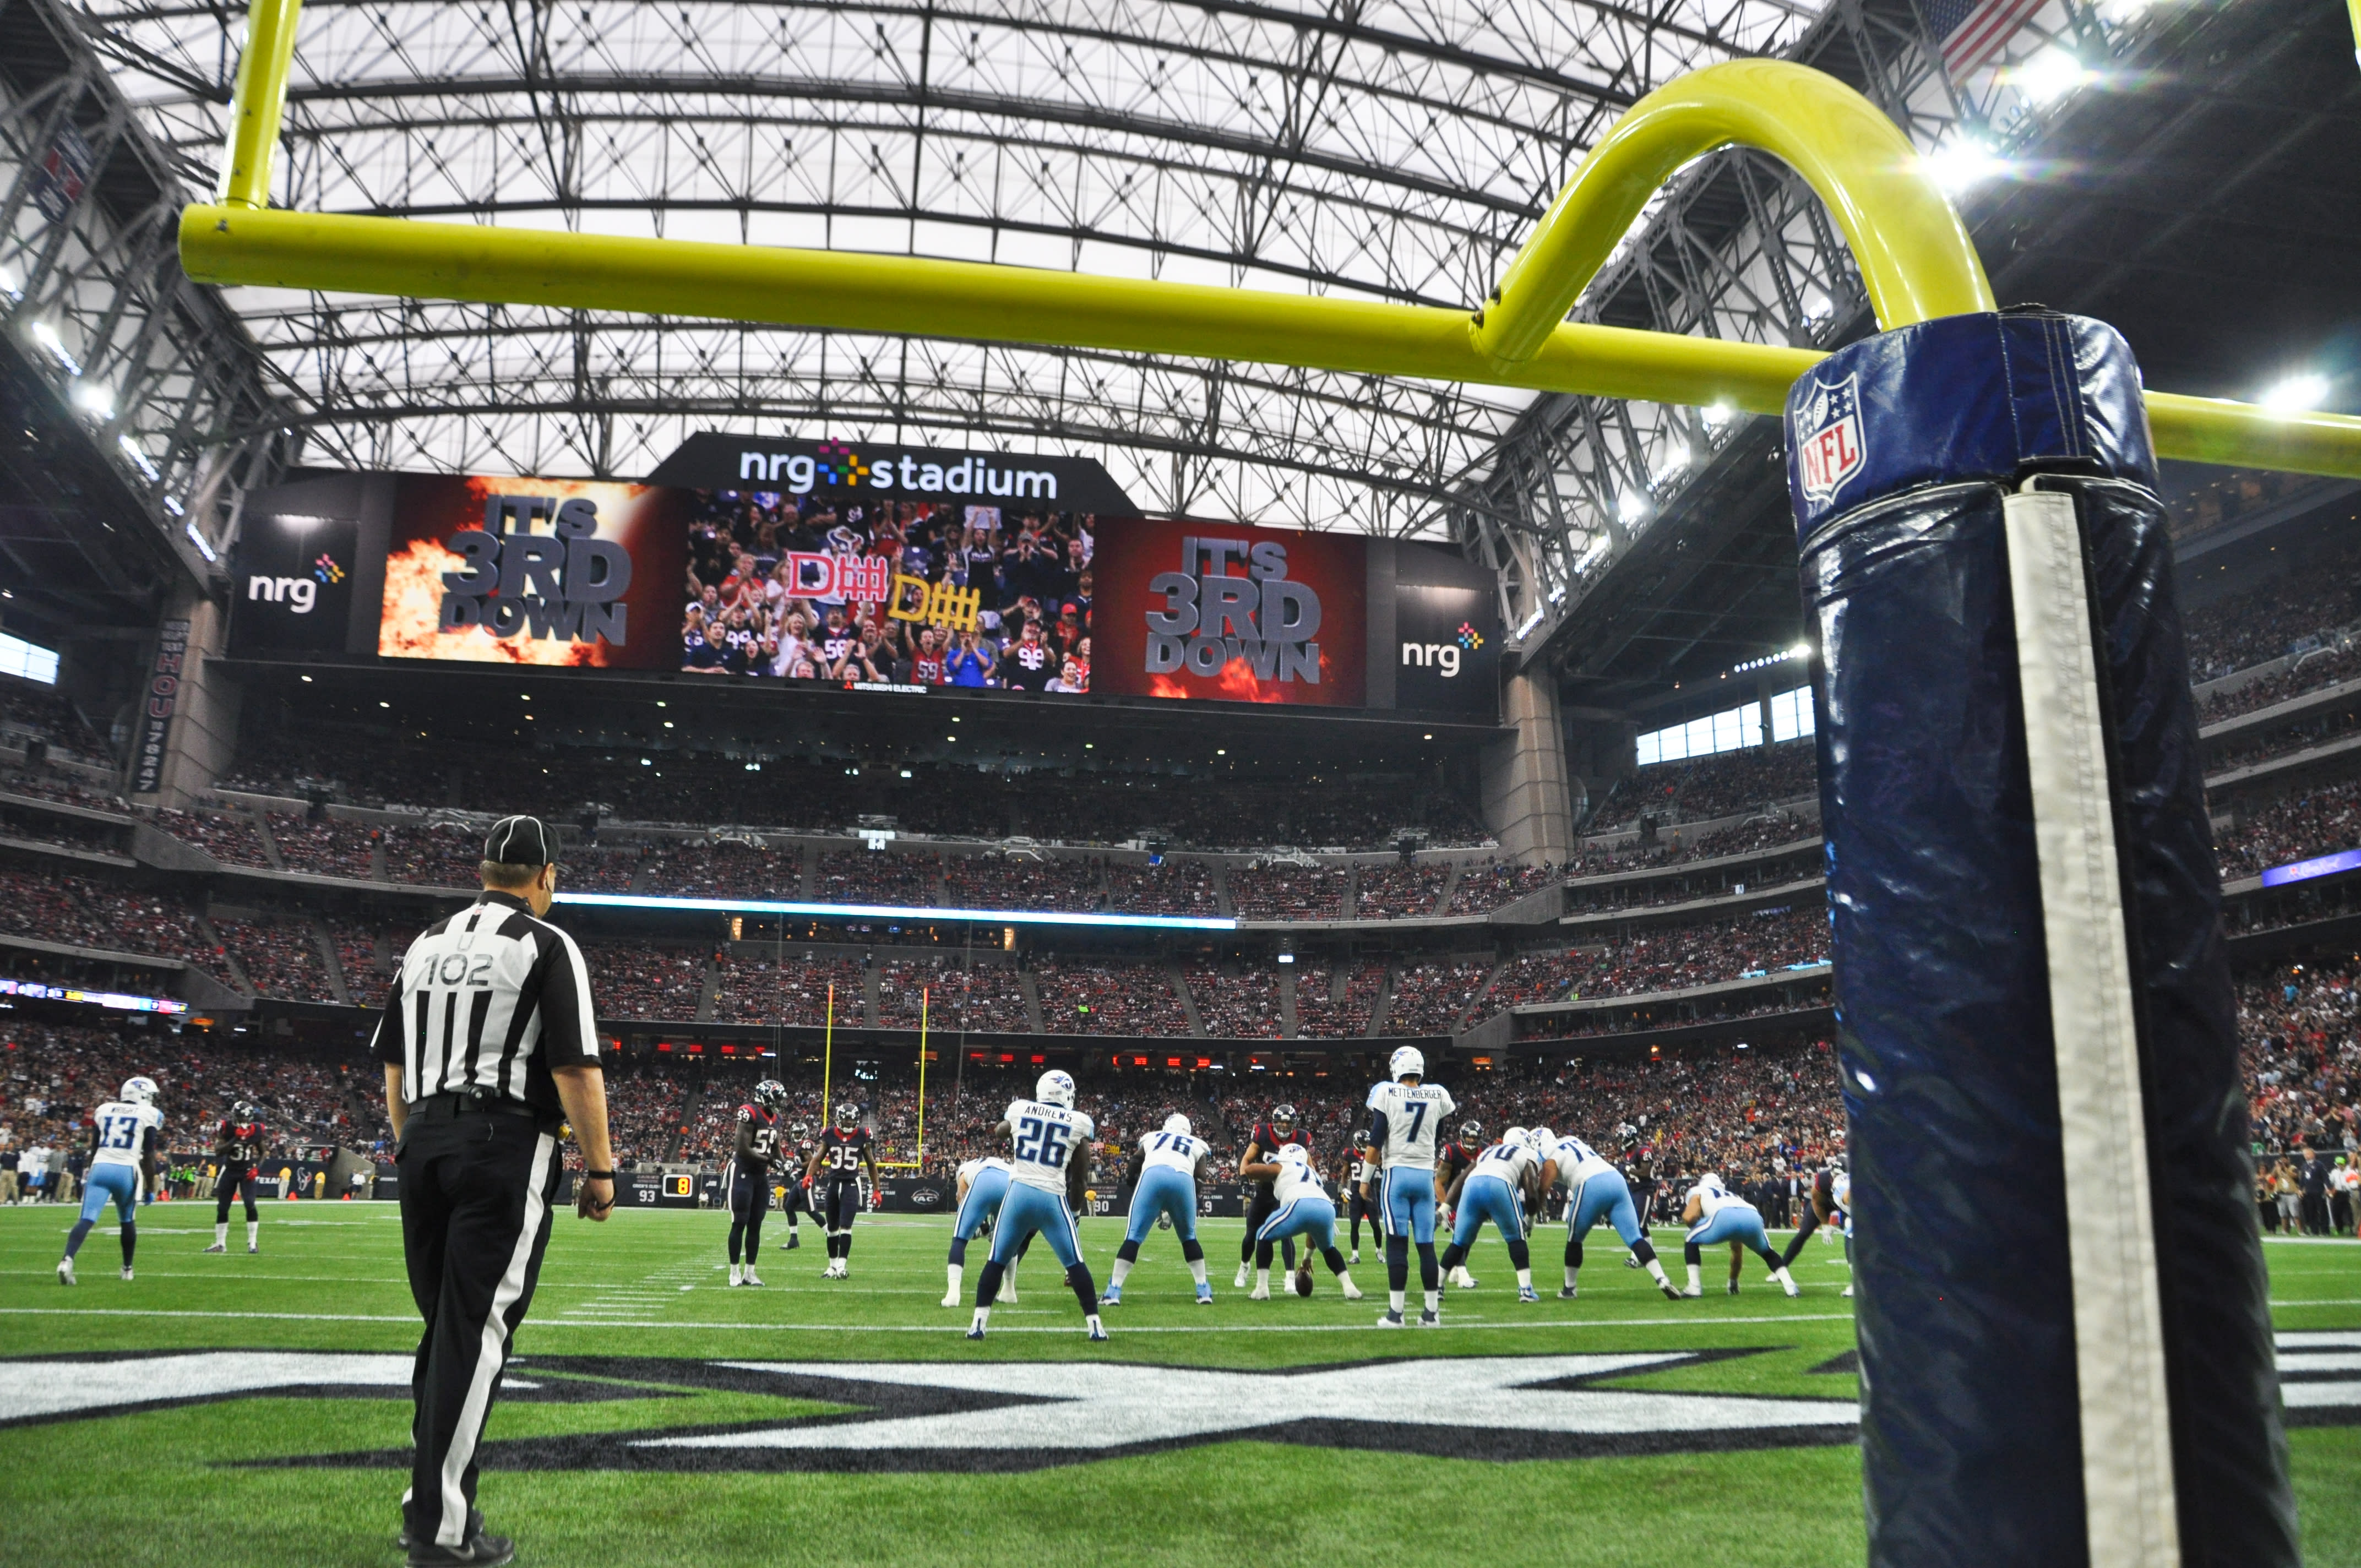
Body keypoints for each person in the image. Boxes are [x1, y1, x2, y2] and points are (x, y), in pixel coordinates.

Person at [375, 813, 617, 1568]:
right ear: (546, 876)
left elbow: (393, 1069)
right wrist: (601, 1168)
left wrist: (413, 1141)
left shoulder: (422, 945)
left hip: (424, 1143)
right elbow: (575, 1067)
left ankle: (430, 1504)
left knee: (445, 1330)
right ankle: (443, 1530)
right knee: (472, 1338)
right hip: (501, 1144)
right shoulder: (549, 945)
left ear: (482, 869)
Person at [966, 1069, 1107, 1342]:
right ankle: (1095, 1326)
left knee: (996, 1260)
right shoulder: (1078, 1121)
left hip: (1018, 1194)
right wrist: (1075, 1213)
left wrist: (1018, 1124)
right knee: (1075, 1263)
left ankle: (978, 1324)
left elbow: (1000, 1132)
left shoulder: (1020, 1109)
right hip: (1051, 1196)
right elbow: (1079, 1176)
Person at [1367, 1046, 1455, 1328]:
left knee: (1396, 1244)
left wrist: (1364, 1180)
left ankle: (1396, 1314)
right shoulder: (1438, 1094)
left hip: (1398, 1175)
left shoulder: (1387, 1093)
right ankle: (1431, 1314)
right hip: (1424, 1177)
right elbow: (1438, 1133)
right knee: (1426, 1246)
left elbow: (1375, 1140)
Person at [1540, 1128, 1679, 1299]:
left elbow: (1544, 1177)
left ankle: (1569, 1289)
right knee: (1636, 1238)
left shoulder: (1548, 1153)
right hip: (1616, 1180)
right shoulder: (1572, 1140)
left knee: (1574, 1239)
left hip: (1590, 1183)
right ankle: (1662, 1278)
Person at [58, 1076, 161, 1286]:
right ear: (143, 1094)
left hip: (100, 1167)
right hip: (126, 1170)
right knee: (127, 1221)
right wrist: (150, 1187)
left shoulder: (104, 1109)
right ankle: (127, 1269)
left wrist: (90, 1170)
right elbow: (149, 1155)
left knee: (86, 1219)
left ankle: (66, 1260)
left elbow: (94, 1147)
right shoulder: (149, 1114)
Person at [1106, 1113, 1215, 1306]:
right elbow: (1200, 1177)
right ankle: (1203, 1289)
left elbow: (1135, 1162)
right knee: (1189, 1237)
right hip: (1184, 1179)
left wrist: (1132, 1182)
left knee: (1133, 1237)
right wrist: (1177, 1207)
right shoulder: (1198, 1144)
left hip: (1153, 1176)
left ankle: (1113, 1291)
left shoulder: (1153, 1136)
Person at [1241, 1141, 1363, 1302]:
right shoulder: (1313, 1174)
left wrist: (1268, 1166)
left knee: (1263, 1235)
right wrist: (1307, 1258)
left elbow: (1251, 1170)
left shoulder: (1282, 1164)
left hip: (1299, 1203)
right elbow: (1312, 1230)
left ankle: (1261, 1289)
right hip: (1326, 1207)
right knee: (1328, 1248)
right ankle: (1350, 1288)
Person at [1437, 1127, 1544, 1303]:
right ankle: (1525, 1290)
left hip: (1472, 1186)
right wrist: (1531, 1218)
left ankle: (1437, 1287)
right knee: (1516, 1239)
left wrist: (1446, 1207)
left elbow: (1462, 1177)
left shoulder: (1489, 1151)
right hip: (1499, 1185)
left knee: (1459, 1243)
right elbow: (1531, 1190)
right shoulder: (1528, 1154)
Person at [1677, 1171, 1799, 1298]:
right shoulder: (1731, 1195)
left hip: (1724, 1216)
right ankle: (1790, 1286)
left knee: (1690, 1238)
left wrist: (1697, 1229)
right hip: (1753, 1215)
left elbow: (1689, 1217)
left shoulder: (1698, 1191)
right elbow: (1737, 1251)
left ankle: (1694, 1287)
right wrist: (1733, 1281)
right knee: (1767, 1252)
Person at [1234, 1104, 1308, 1288]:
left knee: (1286, 1235)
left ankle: (1290, 1278)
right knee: (1251, 1234)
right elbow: (1247, 1159)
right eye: (1281, 1123)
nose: (1284, 1127)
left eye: (1288, 1123)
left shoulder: (1301, 1138)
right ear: (1274, 1123)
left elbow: (1310, 1164)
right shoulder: (1263, 1134)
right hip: (1265, 1190)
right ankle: (1244, 1267)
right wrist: (1244, 1181)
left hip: (1284, 1192)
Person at [943, 1153, 1029, 1307]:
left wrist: (976, 1226)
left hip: (985, 1180)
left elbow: (962, 1196)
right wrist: (986, 1227)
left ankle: (953, 1294)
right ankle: (1009, 1291)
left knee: (959, 1240)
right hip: (1011, 1182)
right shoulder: (1003, 1164)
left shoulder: (964, 1170)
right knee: (1008, 1242)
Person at [725, 1080, 788, 1287]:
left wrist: (783, 1164)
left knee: (756, 1225)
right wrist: (770, 1161)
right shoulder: (749, 1112)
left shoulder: (776, 1118)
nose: (779, 1102)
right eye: (777, 1097)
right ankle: (734, 1272)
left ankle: (750, 1273)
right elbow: (742, 1148)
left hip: (760, 1176)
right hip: (743, 1172)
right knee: (739, 1222)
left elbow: (776, 1147)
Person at [804, 1101, 877, 1279]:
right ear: (839, 1119)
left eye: (852, 1121)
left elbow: (871, 1163)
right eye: (846, 1121)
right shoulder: (829, 1134)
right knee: (832, 1228)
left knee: (846, 1226)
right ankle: (832, 1266)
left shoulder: (862, 1136)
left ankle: (842, 1266)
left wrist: (877, 1190)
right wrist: (809, 1176)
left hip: (851, 1185)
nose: (849, 1124)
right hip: (834, 1184)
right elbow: (817, 1158)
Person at [205, 1101, 266, 1254]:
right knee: (223, 1207)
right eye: (240, 1117)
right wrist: (234, 1139)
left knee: (250, 1204)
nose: (243, 1121)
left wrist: (257, 1169)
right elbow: (218, 1151)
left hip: (246, 1171)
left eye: (246, 1118)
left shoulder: (256, 1130)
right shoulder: (227, 1127)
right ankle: (220, 1244)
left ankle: (253, 1242)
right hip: (230, 1170)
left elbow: (264, 1152)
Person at [1434, 1120, 1484, 1287]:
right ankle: (1463, 1275)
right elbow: (1439, 1182)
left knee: (1469, 1237)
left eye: (1474, 1138)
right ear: (1462, 1137)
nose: (1471, 1141)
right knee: (1460, 1235)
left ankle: (1455, 1272)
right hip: (1454, 1198)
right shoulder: (1452, 1151)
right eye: (1468, 1138)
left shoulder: (1485, 1151)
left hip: (1474, 1198)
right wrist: (1445, 1208)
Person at [1340, 1127, 1383, 1263]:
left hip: (1370, 1192)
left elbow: (1382, 1164)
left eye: (1367, 1143)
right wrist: (1343, 1189)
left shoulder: (1374, 1153)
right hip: (1355, 1192)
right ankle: (1355, 1255)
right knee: (1354, 1224)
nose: (1366, 1146)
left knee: (1375, 1224)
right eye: (1364, 1144)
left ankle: (1379, 1251)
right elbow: (1345, 1174)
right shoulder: (1349, 1154)